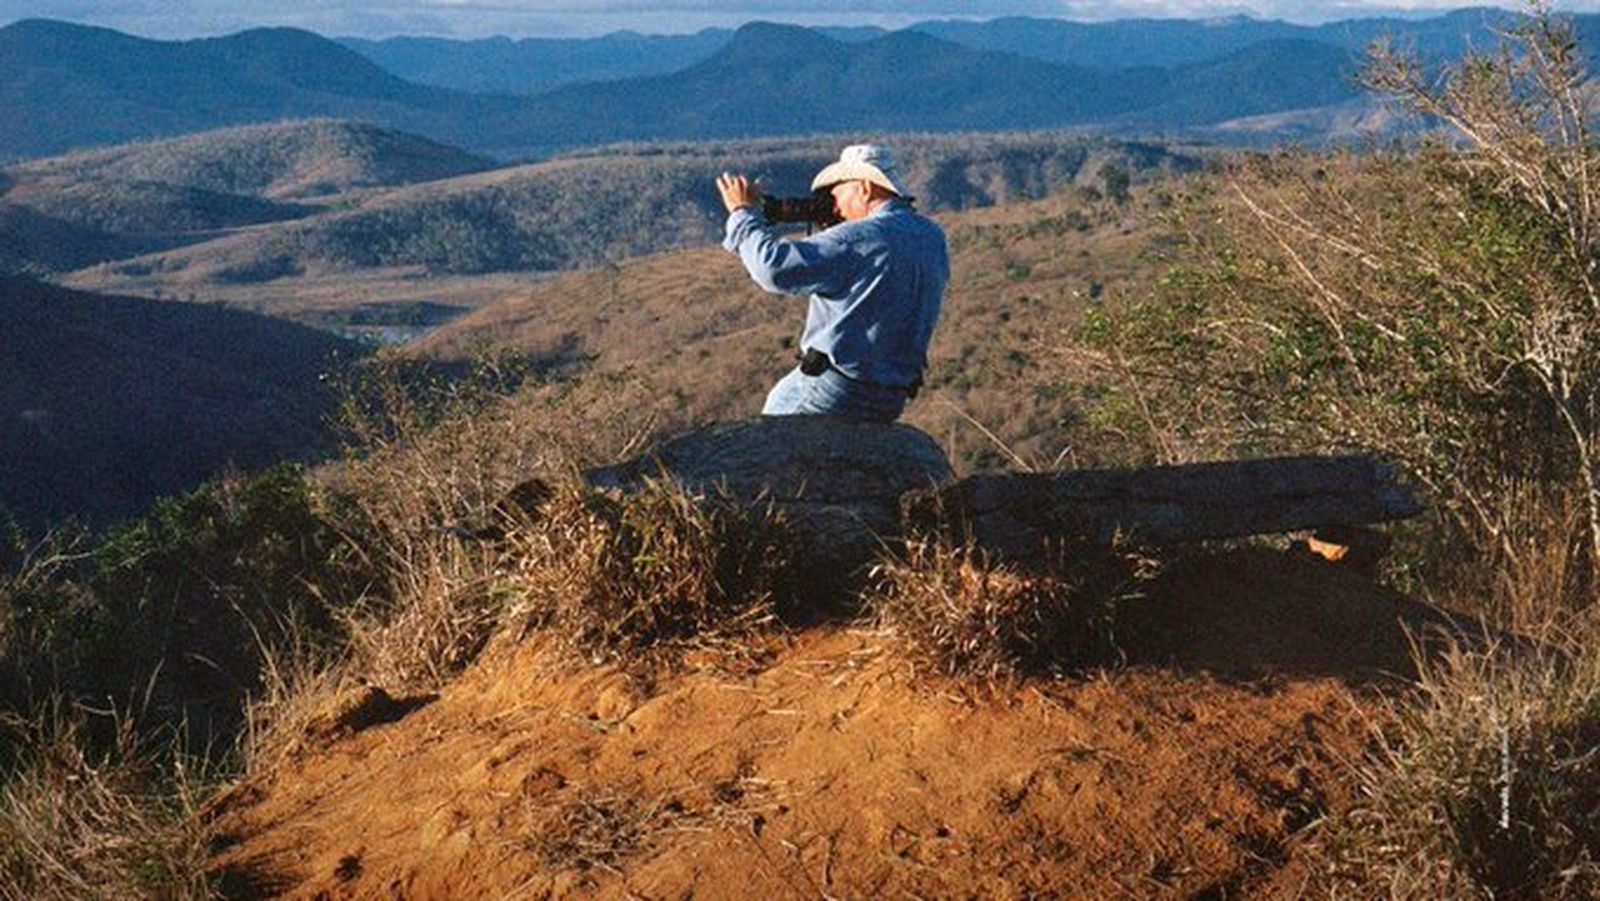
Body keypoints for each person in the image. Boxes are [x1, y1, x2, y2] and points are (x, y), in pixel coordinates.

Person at [717, 144, 949, 423]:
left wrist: (742, 214)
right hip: (891, 398)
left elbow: (772, 269)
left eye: (836, 192)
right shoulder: (931, 235)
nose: (833, 204)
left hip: (835, 390)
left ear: (864, 188)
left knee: (768, 447)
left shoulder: (859, 238)